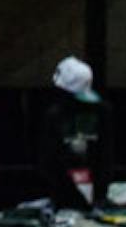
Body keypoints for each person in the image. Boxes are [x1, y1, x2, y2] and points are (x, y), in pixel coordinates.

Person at [38, 55, 111, 207]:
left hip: (93, 191)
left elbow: (105, 154)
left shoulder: (101, 112)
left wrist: (98, 193)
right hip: (63, 193)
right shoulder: (54, 115)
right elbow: (49, 160)